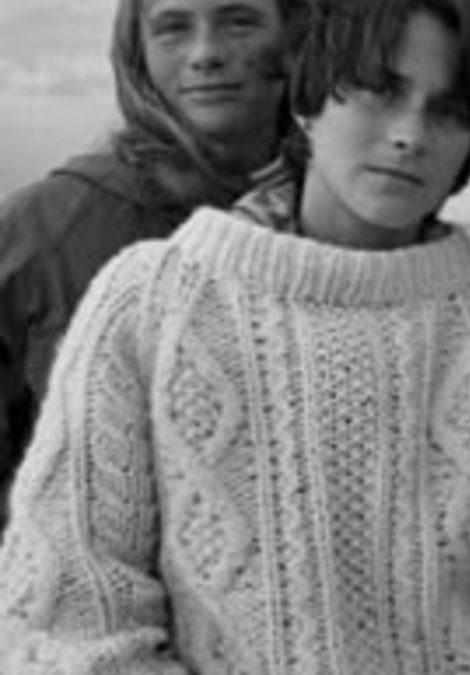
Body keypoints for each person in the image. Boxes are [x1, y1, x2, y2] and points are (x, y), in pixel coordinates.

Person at [0, 0, 470, 672]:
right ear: (307, 101)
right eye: (380, 92)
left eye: (447, 112)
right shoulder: (148, 304)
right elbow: (69, 621)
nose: (409, 135)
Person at [0, 0, 300, 530]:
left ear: (297, 37)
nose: (205, 54)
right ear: (137, 53)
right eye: (172, 28)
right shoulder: (42, 231)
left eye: (240, 21)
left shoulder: (351, 225)